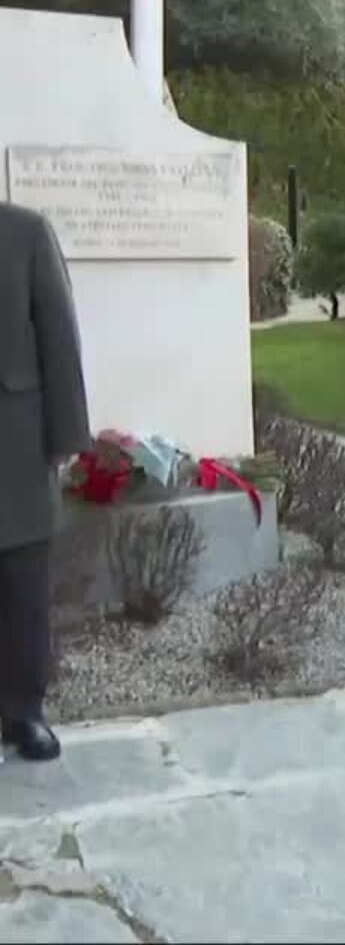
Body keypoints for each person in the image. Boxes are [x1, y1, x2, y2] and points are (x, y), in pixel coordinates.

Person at [0, 202, 91, 762]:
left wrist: (66, 436)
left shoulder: (25, 233)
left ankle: (24, 711)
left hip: (13, 440)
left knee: (21, 583)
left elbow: (58, 337)